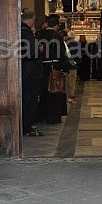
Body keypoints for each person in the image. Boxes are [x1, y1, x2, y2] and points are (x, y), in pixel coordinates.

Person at [35, 14, 69, 124]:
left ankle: (41, 116)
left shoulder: (39, 34)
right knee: (54, 93)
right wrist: (65, 68)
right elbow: (61, 53)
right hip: (55, 67)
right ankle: (53, 117)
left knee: (43, 92)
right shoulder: (56, 36)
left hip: (42, 68)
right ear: (57, 25)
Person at [19, 9, 42, 137]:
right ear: (32, 20)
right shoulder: (26, 32)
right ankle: (27, 127)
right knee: (30, 99)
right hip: (29, 71)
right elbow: (32, 52)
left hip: (23, 68)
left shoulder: (19, 30)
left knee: (25, 98)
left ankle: (25, 126)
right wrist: (38, 48)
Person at [65, 30, 80, 103]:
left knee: (67, 79)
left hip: (67, 63)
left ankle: (68, 93)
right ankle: (72, 93)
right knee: (73, 78)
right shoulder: (74, 43)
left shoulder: (65, 42)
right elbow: (76, 53)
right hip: (72, 63)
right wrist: (76, 62)